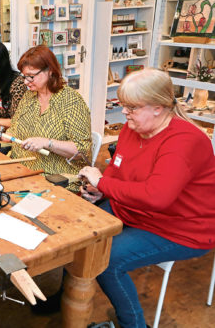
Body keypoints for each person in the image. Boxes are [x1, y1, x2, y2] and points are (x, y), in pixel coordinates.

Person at [78, 68, 215, 328]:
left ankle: (134, 325)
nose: (125, 113)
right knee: (79, 233)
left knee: (108, 262)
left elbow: (157, 197)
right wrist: (101, 190)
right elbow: (117, 169)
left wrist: (104, 183)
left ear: (159, 107)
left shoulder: (184, 140)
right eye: (123, 106)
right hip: (134, 210)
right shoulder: (134, 128)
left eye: (132, 107)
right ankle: (63, 298)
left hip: (181, 228)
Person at [0, 45, 91, 192]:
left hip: (55, 177)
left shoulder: (71, 101)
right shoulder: (29, 96)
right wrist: (5, 136)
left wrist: (47, 143)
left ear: (49, 71)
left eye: (31, 76)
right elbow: (15, 129)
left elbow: (83, 151)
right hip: (22, 168)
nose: (26, 81)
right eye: (24, 76)